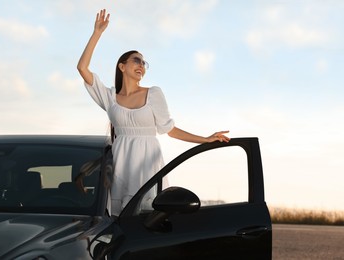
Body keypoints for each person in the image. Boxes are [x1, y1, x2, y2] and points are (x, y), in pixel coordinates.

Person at [77, 9, 230, 215]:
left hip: (148, 166)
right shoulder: (110, 97)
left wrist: (205, 139)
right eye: (136, 60)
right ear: (122, 66)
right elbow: (82, 68)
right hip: (121, 168)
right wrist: (97, 33)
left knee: (148, 218)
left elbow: (170, 130)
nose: (141, 65)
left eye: (144, 62)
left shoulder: (154, 94)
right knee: (119, 220)